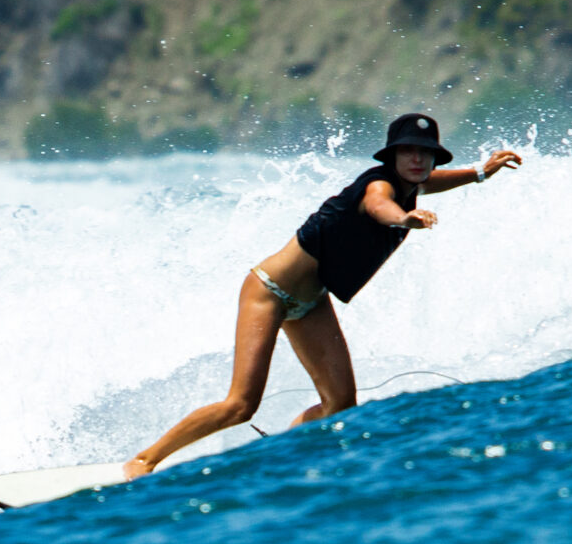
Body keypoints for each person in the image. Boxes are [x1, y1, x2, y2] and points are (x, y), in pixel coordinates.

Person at [123, 112, 522, 479]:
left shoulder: (412, 182)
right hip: (269, 291)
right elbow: (379, 206)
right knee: (241, 405)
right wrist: (405, 219)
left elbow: (429, 181)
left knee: (340, 404)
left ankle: (283, 447)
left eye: (426, 153)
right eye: (409, 151)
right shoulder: (380, 187)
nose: (418, 160)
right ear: (392, 156)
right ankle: (145, 459)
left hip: (310, 302)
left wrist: (480, 173)